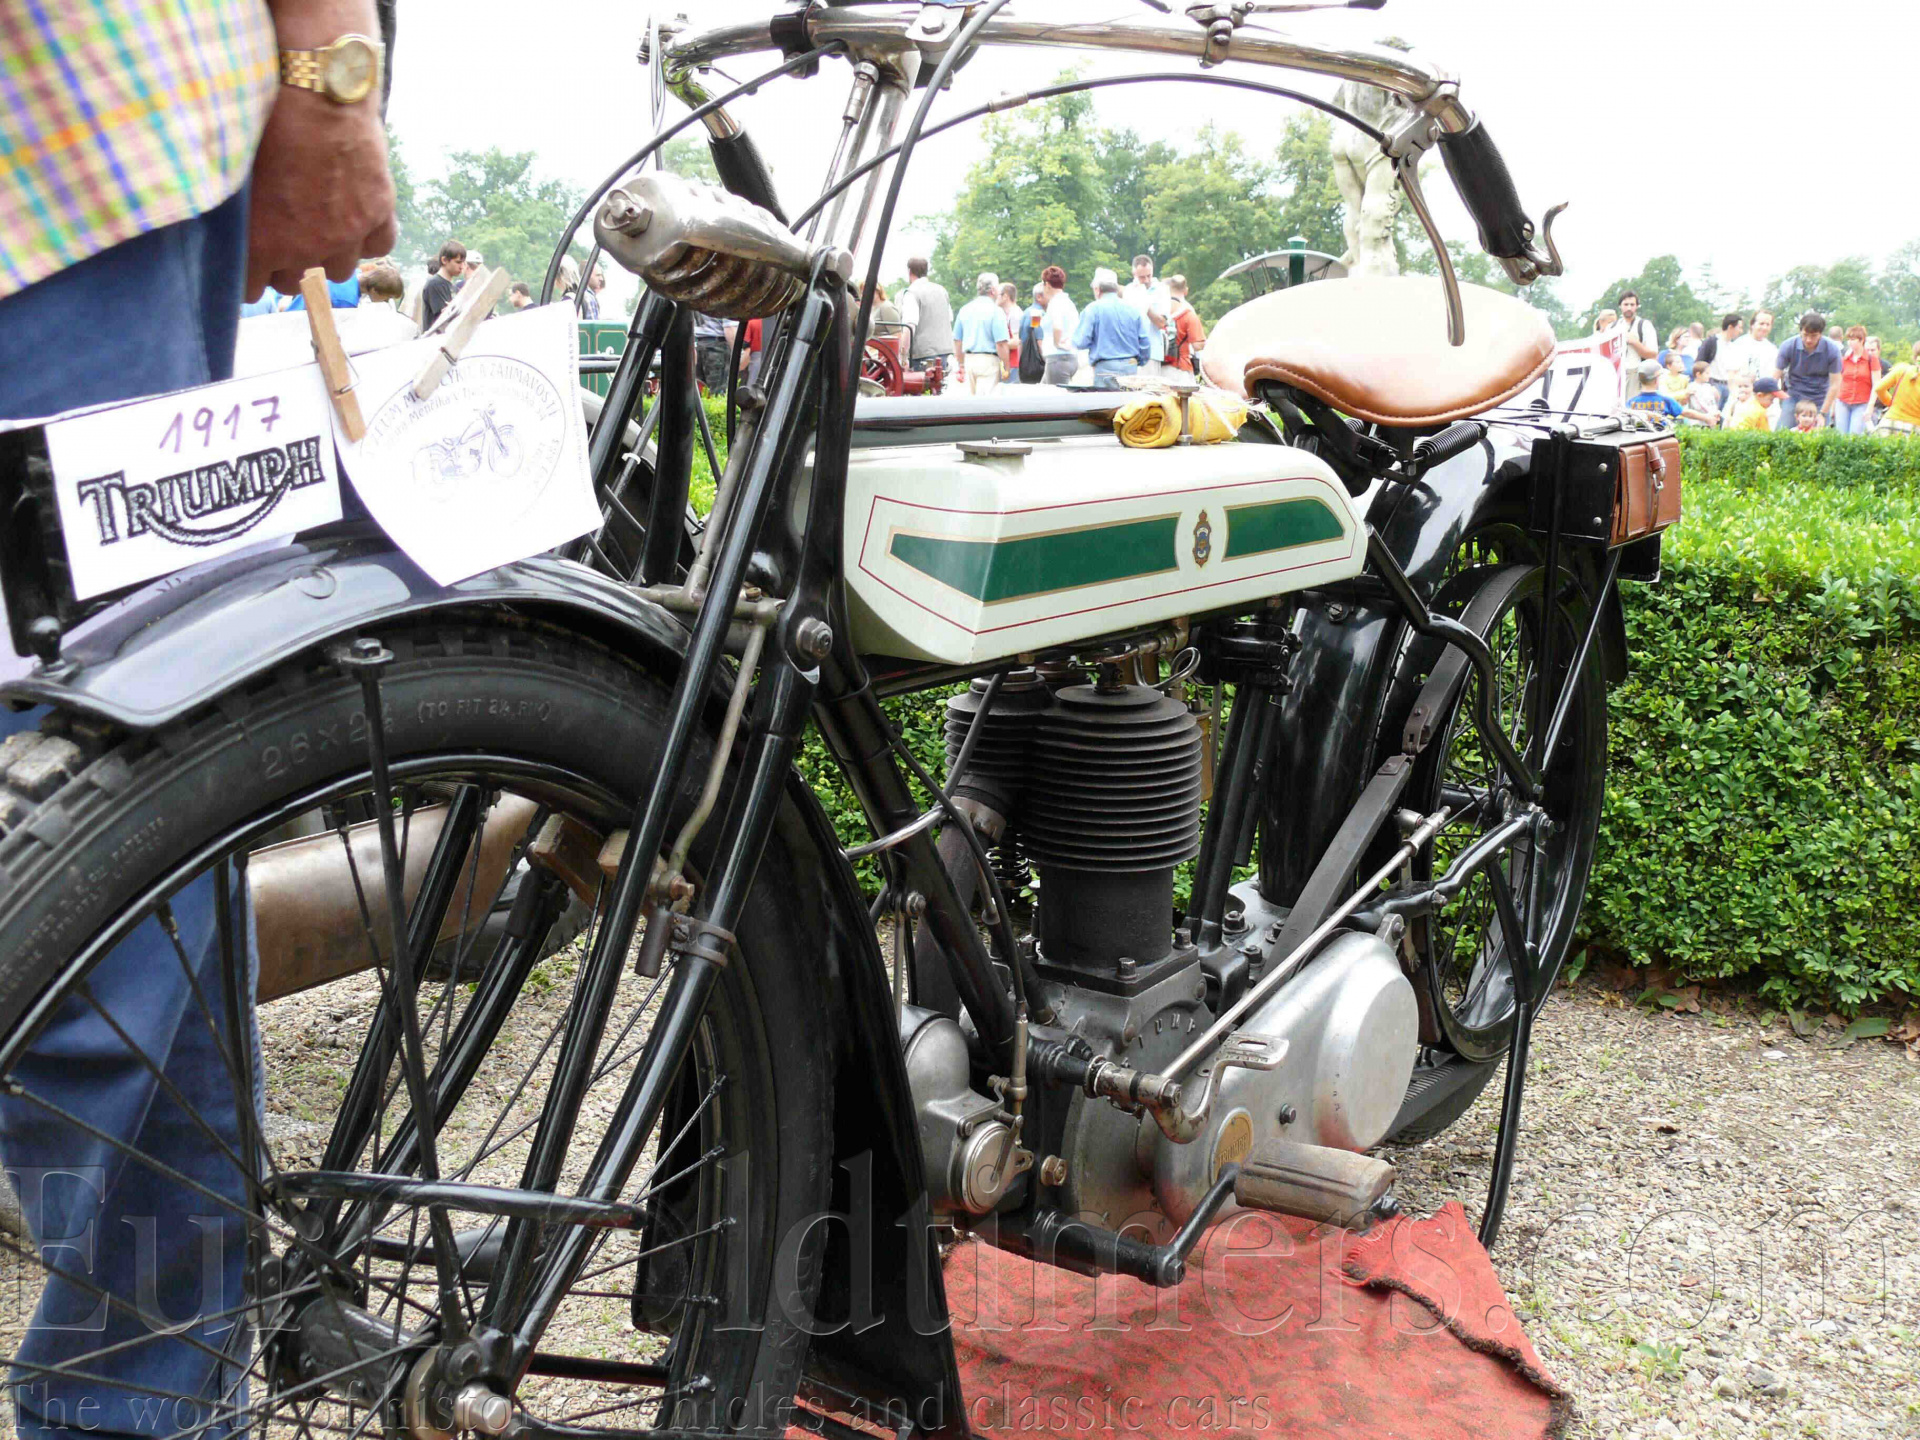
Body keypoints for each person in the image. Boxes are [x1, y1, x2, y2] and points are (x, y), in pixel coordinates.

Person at [0, 3, 396, 1437]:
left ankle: (139, 1411)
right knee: (105, 883)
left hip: (60, 146)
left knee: (104, 882)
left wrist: (327, 77)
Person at [1073, 267, 1153, 388]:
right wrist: (1139, 361)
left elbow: (1081, 341)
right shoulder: (1133, 310)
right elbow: (1145, 342)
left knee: (1106, 400)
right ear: (1116, 288)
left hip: (1105, 368)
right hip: (1130, 366)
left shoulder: (1092, 310)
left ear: (1097, 289)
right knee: (1128, 399)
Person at [1774, 311, 1843, 430]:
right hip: (1794, 395)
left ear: (1821, 334)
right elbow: (1776, 374)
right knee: (1782, 432)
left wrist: (1823, 413)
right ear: (1800, 331)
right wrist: (1772, 394)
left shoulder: (1832, 350)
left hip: (1820, 398)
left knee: (1820, 436)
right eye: (1805, 335)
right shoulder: (1788, 345)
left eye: (1814, 336)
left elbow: (1835, 384)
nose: (1809, 340)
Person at [952, 271, 1012, 396]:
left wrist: (961, 364)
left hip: (969, 360)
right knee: (986, 402)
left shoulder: (965, 309)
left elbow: (957, 341)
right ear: (993, 290)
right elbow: (1001, 344)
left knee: (969, 401)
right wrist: (1006, 367)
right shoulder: (996, 311)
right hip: (988, 361)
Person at [897, 256, 953, 372]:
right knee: (937, 383)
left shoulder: (912, 293)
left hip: (922, 356)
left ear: (909, 271)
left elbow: (909, 327)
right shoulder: (942, 291)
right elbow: (949, 319)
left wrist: (902, 357)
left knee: (921, 384)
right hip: (943, 353)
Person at [1121, 254, 1172, 374]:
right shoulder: (1128, 290)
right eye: (1142, 277)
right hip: (1129, 352)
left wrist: (1145, 304)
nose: (1146, 280)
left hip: (1151, 353)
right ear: (1134, 274)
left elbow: (1161, 323)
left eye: (1149, 275)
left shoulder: (1161, 290)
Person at [1038, 264, 1080, 386]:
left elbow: (1057, 326)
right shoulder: (1069, 303)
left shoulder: (1055, 302)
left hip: (1057, 358)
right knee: (1042, 390)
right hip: (1070, 357)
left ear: (1047, 285)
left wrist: (1057, 343)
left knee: (1055, 395)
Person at [1831, 325, 1876, 435]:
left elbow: (1877, 385)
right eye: (1849, 339)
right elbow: (1838, 382)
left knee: (1855, 434)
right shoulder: (1844, 359)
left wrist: (1870, 407)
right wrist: (1833, 405)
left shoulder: (1871, 359)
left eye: (1853, 339)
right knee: (1841, 435)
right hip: (1843, 401)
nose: (1850, 342)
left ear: (1861, 340)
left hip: (1862, 402)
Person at [1724, 310, 1776, 398]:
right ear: (1752, 324)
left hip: (1762, 397)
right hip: (1741, 395)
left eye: (1768, 324)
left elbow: (1772, 377)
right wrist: (1736, 395)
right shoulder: (1738, 345)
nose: (1764, 327)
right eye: (1761, 324)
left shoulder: (1772, 349)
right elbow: (1731, 374)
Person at [1696, 313, 1745, 408]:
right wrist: (1708, 386)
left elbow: (1732, 371)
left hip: (1727, 386)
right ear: (1730, 327)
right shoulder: (1712, 342)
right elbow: (1699, 364)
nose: (1740, 331)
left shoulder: (1733, 347)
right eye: (1739, 327)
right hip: (1712, 384)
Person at [1164, 275, 1207, 374]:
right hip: (1182, 366)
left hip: (1159, 366)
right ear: (1186, 291)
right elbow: (1197, 345)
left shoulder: (1158, 310)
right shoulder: (1188, 312)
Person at [421, 239, 467, 331]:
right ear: (444, 260)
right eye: (458, 262)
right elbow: (443, 320)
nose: (462, 266)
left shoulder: (453, 287)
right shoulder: (435, 284)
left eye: (463, 262)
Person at [693, 311, 732, 393]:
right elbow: (730, 328)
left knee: (699, 390)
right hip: (717, 347)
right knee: (717, 391)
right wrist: (739, 354)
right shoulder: (725, 303)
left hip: (697, 343)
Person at [1684, 361, 1721, 427]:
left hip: (1711, 419)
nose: (1709, 376)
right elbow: (1698, 405)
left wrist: (1716, 411)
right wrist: (1711, 413)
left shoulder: (1708, 386)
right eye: (1707, 373)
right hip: (1698, 422)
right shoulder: (1693, 387)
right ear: (1698, 374)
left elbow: (1713, 402)